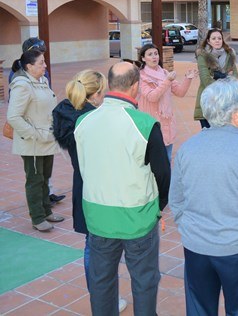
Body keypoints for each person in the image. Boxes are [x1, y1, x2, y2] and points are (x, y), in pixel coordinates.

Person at [170, 78, 238, 315]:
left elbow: (176, 200)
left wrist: (190, 230)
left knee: (200, 309)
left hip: (196, 247)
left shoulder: (187, 148)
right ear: (235, 114)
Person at [74, 62, 170, 315]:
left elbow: (82, 167)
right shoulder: (146, 124)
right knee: (145, 280)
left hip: (98, 217)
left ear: (109, 85)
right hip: (137, 217)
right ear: (136, 87)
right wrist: (159, 207)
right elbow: (163, 173)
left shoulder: (83, 122)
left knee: (101, 281)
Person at [51, 70, 129, 313]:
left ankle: (101, 298)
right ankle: (106, 300)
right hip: (102, 187)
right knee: (105, 249)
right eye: (102, 92)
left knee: (92, 245)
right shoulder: (94, 120)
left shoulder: (66, 114)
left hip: (83, 185)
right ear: (94, 95)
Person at [7, 49, 63, 232]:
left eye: (44, 62)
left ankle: (46, 211)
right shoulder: (22, 85)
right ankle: (37, 218)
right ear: (29, 66)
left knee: (45, 178)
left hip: (47, 139)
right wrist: (36, 134)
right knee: (34, 180)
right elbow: (14, 117)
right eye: (41, 63)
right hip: (33, 142)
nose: (45, 65)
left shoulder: (43, 81)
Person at [138, 43, 196, 159]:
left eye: (156, 54)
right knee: (154, 161)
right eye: (150, 54)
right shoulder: (142, 77)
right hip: (151, 124)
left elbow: (180, 92)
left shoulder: (164, 73)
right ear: (143, 58)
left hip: (167, 123)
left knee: (167, 158)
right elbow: (152, 97)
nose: (154, 57)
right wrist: (167, 81)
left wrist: (188, 79)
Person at [194, 28, 238, 129]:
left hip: (225, 103)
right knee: (208, 137)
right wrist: (226, 78)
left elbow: (234, 77)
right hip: (209, 100)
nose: (217, 40)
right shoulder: (203, 55)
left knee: (224, 136)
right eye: (214, 38)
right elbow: (206, 80)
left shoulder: (230, 54)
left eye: (219, 38)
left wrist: (217, 76)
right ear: (208, 41)